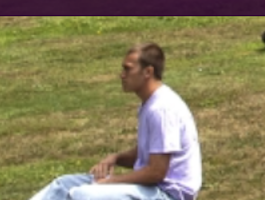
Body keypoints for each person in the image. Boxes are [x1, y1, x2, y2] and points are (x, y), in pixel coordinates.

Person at [27, 43, 201, 200]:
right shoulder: (150, 104)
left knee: (83, 195)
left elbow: (157, 172)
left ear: (148, 72)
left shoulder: (162, 109)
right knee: (63, 185)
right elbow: (148, 152)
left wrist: (112, 182)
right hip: (149, 189)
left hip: (167, 194)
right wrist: (116, 158)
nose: (122, 75)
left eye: (128, 69)